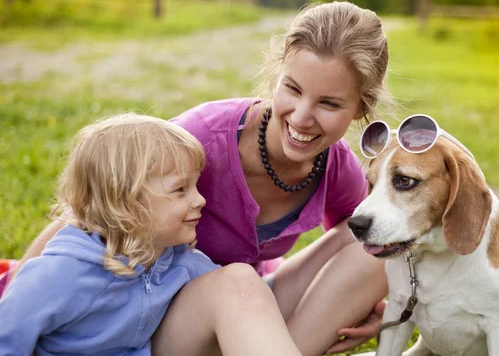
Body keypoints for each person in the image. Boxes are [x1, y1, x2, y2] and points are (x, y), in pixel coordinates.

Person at [12, 1, 392, 355]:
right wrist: (18, 289)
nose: (301, 117)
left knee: (377, 243)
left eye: (329, 103)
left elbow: (346, 239)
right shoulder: (199, 140)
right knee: (239, 281)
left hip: (235, 302)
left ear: (361, 106)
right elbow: (95, 207)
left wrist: (372, 306)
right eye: (292, 89)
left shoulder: (335, 164)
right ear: (277, 77)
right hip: (154, 315)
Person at [0, 113, 302, 356]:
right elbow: (7, 337)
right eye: (180, 189)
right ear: (126, 203)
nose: (200, 200)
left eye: (195, 186)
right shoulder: (60, 274)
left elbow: (246, 308)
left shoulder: (179, 261)